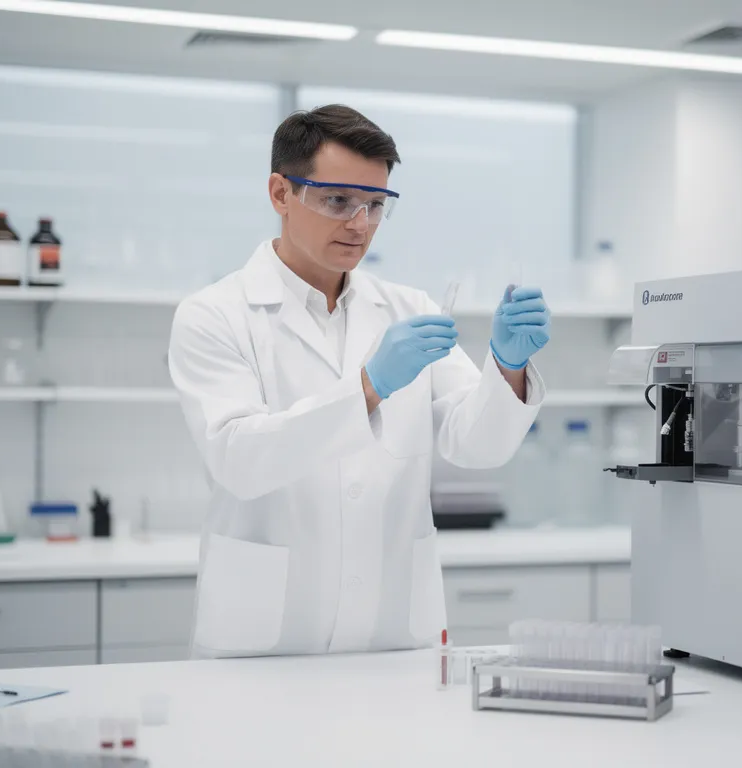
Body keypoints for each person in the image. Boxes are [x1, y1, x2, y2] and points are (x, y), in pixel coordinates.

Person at [168, 105, 552, 657]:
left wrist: (507, 367)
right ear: (281, 194)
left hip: (392, 638)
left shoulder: (406, 309)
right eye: (338, 201)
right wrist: (369, 387)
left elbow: (477, 444)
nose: (360, 224)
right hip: (265, 645)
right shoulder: (215, 314)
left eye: (375, 205)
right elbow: (238, 460)